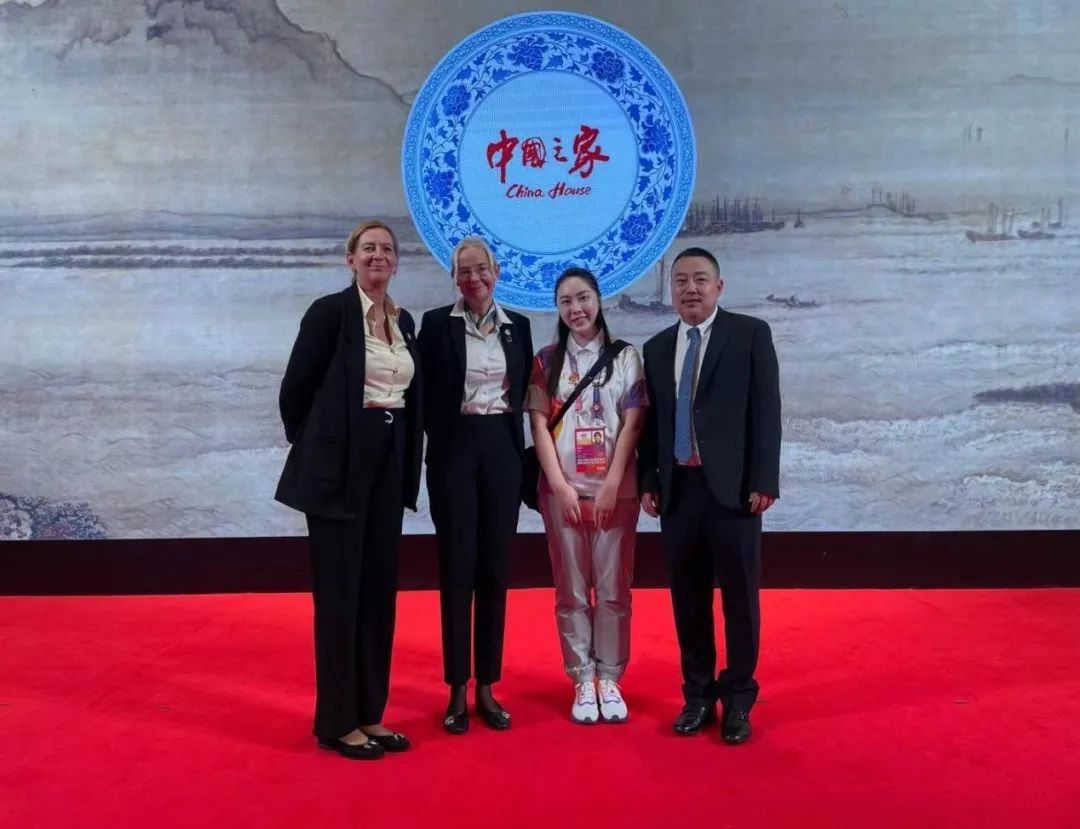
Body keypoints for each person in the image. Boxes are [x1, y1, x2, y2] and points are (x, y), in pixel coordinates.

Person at [275, 219, 422, 760]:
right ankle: (337, 722)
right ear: (350, 259)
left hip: (388, 465)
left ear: (396, 261)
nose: (378, 255)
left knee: (378, 595)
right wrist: (322, 444)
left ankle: (369, 713)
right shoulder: (330, 313)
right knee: (340, 598)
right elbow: (295, 392)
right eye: (368, 248)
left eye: (386, 249)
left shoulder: (403, 321)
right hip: (338, 471)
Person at [638, 247, 781, 745]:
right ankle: (697, 695)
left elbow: (766, 411)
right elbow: (652, 425)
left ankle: (738, 698)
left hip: (734, 492)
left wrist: (764, 480)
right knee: (688, 600)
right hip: (679, 492)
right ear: (671, 289)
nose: (690, 288)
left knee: (739, 599)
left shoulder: (750, 335)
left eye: (700, 279)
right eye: (681, 280)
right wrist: (649, 481)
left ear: (719, 286)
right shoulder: (657, 348)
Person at [418, 237, 534, 734]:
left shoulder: (518, 327)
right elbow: (422, 395)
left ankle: (487, 684)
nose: (474, 279)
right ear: (454, 278)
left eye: (481, 269)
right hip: (454, 454)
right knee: (456, 569)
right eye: (464, 271)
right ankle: (457, 689)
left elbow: (525, 395)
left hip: (502, 455)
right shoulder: (434, 325)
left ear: (496, 271)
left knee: (494, 569)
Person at [526, 268, 648, 724]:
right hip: (564, 495)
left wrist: (613, 484)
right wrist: (560, 487)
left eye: (583, 298)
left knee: (614, 590)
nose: (576, 309)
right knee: (571, 590)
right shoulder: (546, 360)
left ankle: (610, 678)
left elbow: (633, 423)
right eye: (565, 301)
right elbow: (538, 425)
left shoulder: (626, 357)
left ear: (598, 299)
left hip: (617, 493)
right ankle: (582, 678)